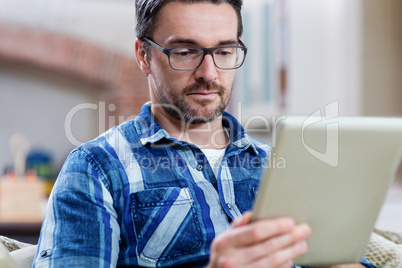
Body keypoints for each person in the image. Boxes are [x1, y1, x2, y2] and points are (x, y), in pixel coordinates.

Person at [33, 0, 377, 267]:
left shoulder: (282, 164)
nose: (209, 73)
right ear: (143, 56)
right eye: (185, 52)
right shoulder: (95, 169)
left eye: (224, 51)